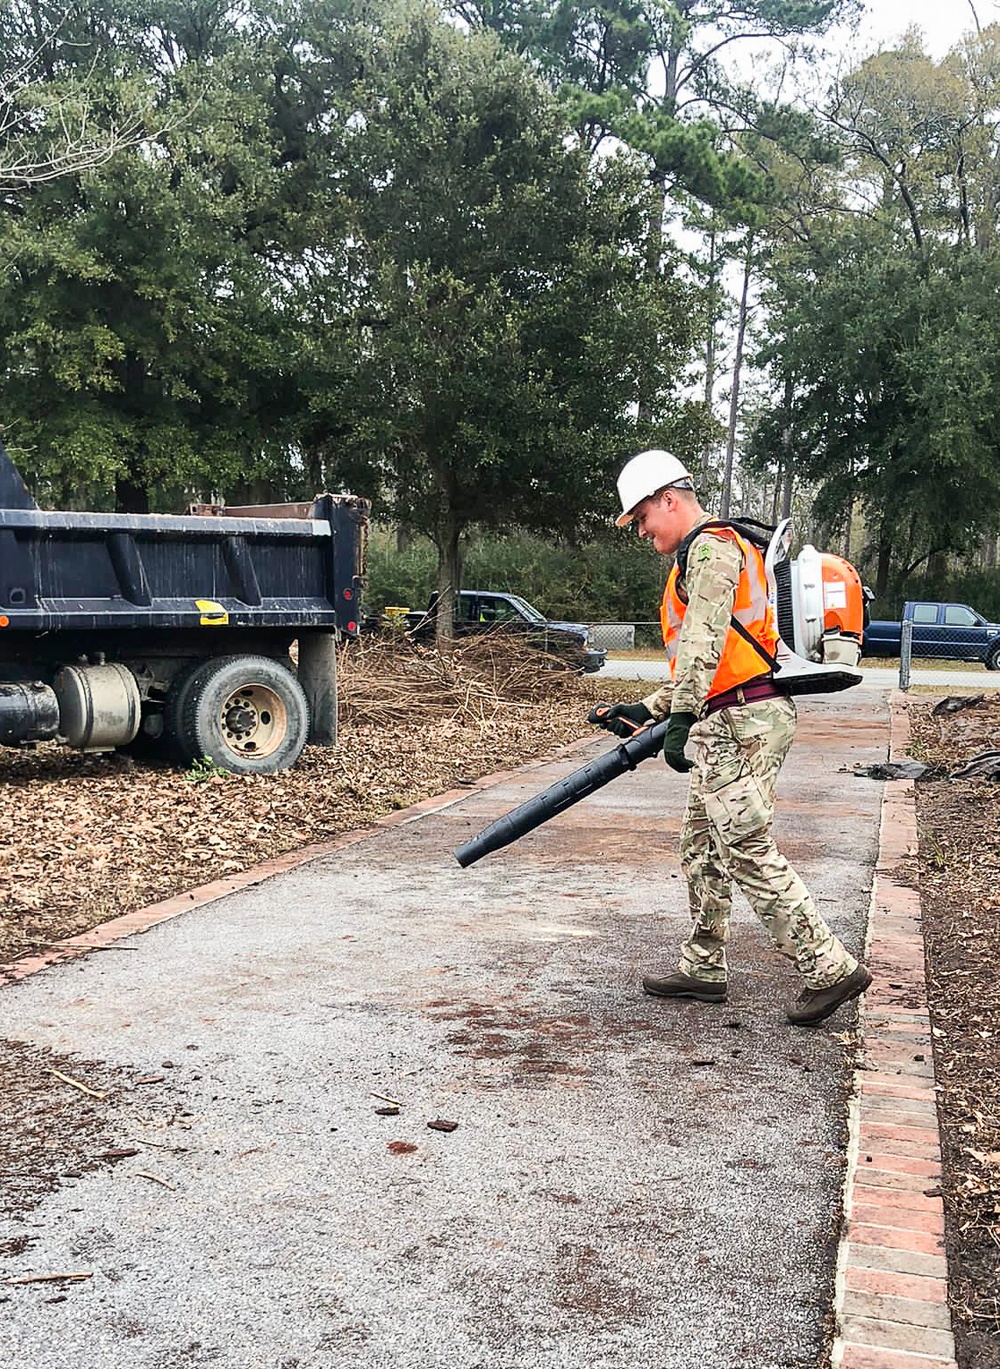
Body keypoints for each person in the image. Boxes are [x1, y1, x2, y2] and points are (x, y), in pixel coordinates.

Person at [591, 448, 871, 1026]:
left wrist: (680, 720)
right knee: (700, 846)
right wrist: (646, 708)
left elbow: (704, 644)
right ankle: (704, 967)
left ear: (670, 499)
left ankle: (830, 967)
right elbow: (714, 663)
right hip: (730, 714)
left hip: (745, 722)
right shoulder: (699, 556)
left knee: (744, 846)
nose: (642, 531)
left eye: (643, 517)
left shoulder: (712, 549)